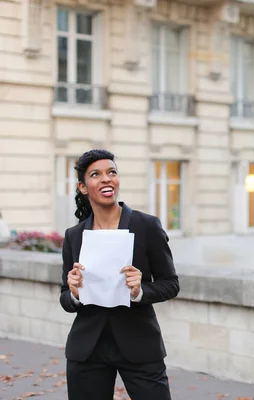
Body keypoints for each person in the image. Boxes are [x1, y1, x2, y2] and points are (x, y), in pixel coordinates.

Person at [59, 149, 180, 400]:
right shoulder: (74, 235)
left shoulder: (146, 225)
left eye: (111, 172)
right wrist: (74, 293)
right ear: (83, 187)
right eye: (96, 174)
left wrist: (140, 291)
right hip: (87, 349)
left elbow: (171, 284)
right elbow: (65, 299)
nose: (106, 178)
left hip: (139, 344)